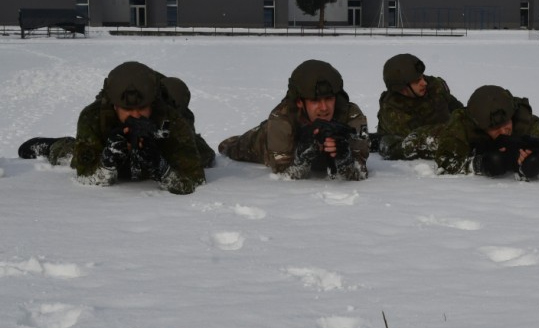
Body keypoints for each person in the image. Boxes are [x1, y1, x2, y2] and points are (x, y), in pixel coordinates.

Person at [17, 61, 206, 194]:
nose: (135, 115)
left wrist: (161, 167)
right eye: (127, 109)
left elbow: (194, 179)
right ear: (115, 105)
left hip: (165, 152)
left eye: (142, 108)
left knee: (204, 155)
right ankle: (56, 146)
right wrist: (107, 165)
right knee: (73, 156)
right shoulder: (93, 117)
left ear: (153, 102)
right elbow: (85, 175)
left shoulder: (171, 119)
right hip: (101, 150)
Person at [217, 59, 369, 180]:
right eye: (315, 101)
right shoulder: (282, 119)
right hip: (266, 142)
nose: (324, 108)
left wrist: (345, 160)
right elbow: (285, 175)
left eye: (329, 99)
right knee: (230, 147)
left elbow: (360, 172)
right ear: (299, 102)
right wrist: (302, 157)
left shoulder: (352, 116)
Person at [400, 85, 539, 180]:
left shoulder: (526, 122)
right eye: (495, 128)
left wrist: (537, 165)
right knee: (407, 144)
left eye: (506, 122)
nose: (504, 130)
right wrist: (478, 164)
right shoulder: (462, 125)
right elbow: (446, 162)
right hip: (442, 136)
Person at [374, 53, 463, 159]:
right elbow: (413, 144)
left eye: (422, 77)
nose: (424, 83)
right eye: (417, 81)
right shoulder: (394, 112)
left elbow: (457, 108)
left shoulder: (433, 87)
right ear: (402, 89)